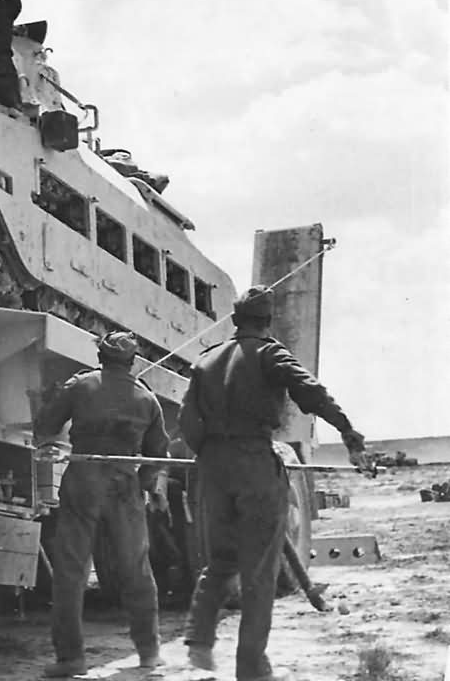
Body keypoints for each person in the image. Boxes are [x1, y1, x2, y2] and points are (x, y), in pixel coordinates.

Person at [178, 285, 370, 681]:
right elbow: (311, 392)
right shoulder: (270, 353)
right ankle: (251, 667)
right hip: (254, 461)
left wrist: (211, 453)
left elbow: (186, 420)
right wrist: (349, 434)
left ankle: (199, 641)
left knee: (219, 562)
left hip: (212, 467)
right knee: (259, 571)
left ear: (234, 321)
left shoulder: (205, 360)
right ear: (268, 322)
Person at [34, 331, 170, 678]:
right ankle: (149, 653)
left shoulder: (80, 386)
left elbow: (45, 427)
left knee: (71, 572)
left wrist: (54, 397)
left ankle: (71, 659)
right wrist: (143, 484)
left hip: (83, 479)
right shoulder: (147, 399)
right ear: (133, 361)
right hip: (124, 483)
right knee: (136, 568)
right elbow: (158, 455)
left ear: (101, 357)